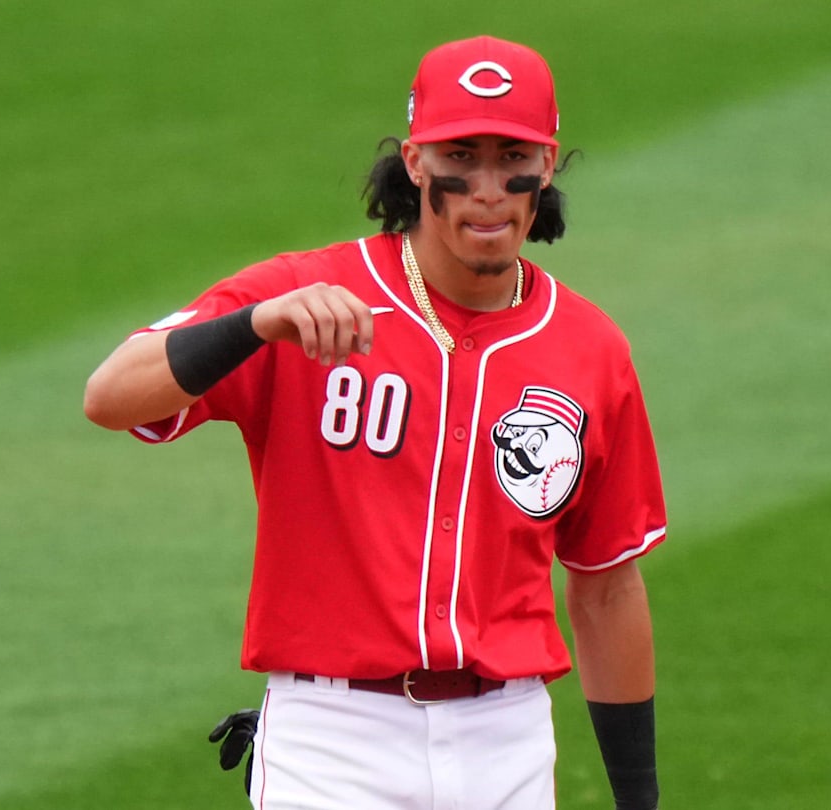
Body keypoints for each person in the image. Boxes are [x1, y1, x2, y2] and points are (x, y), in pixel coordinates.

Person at [84, 35, 667, 810]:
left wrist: (639, 799)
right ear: (415, 163)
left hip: (509, 740)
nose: (488, 187)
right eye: (461, 156)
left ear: (548, 164)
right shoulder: (304, 296)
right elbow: (110, 395)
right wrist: (255, 324)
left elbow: (606, 589)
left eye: (511, 156)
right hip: (332, 740)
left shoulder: (590, 347)